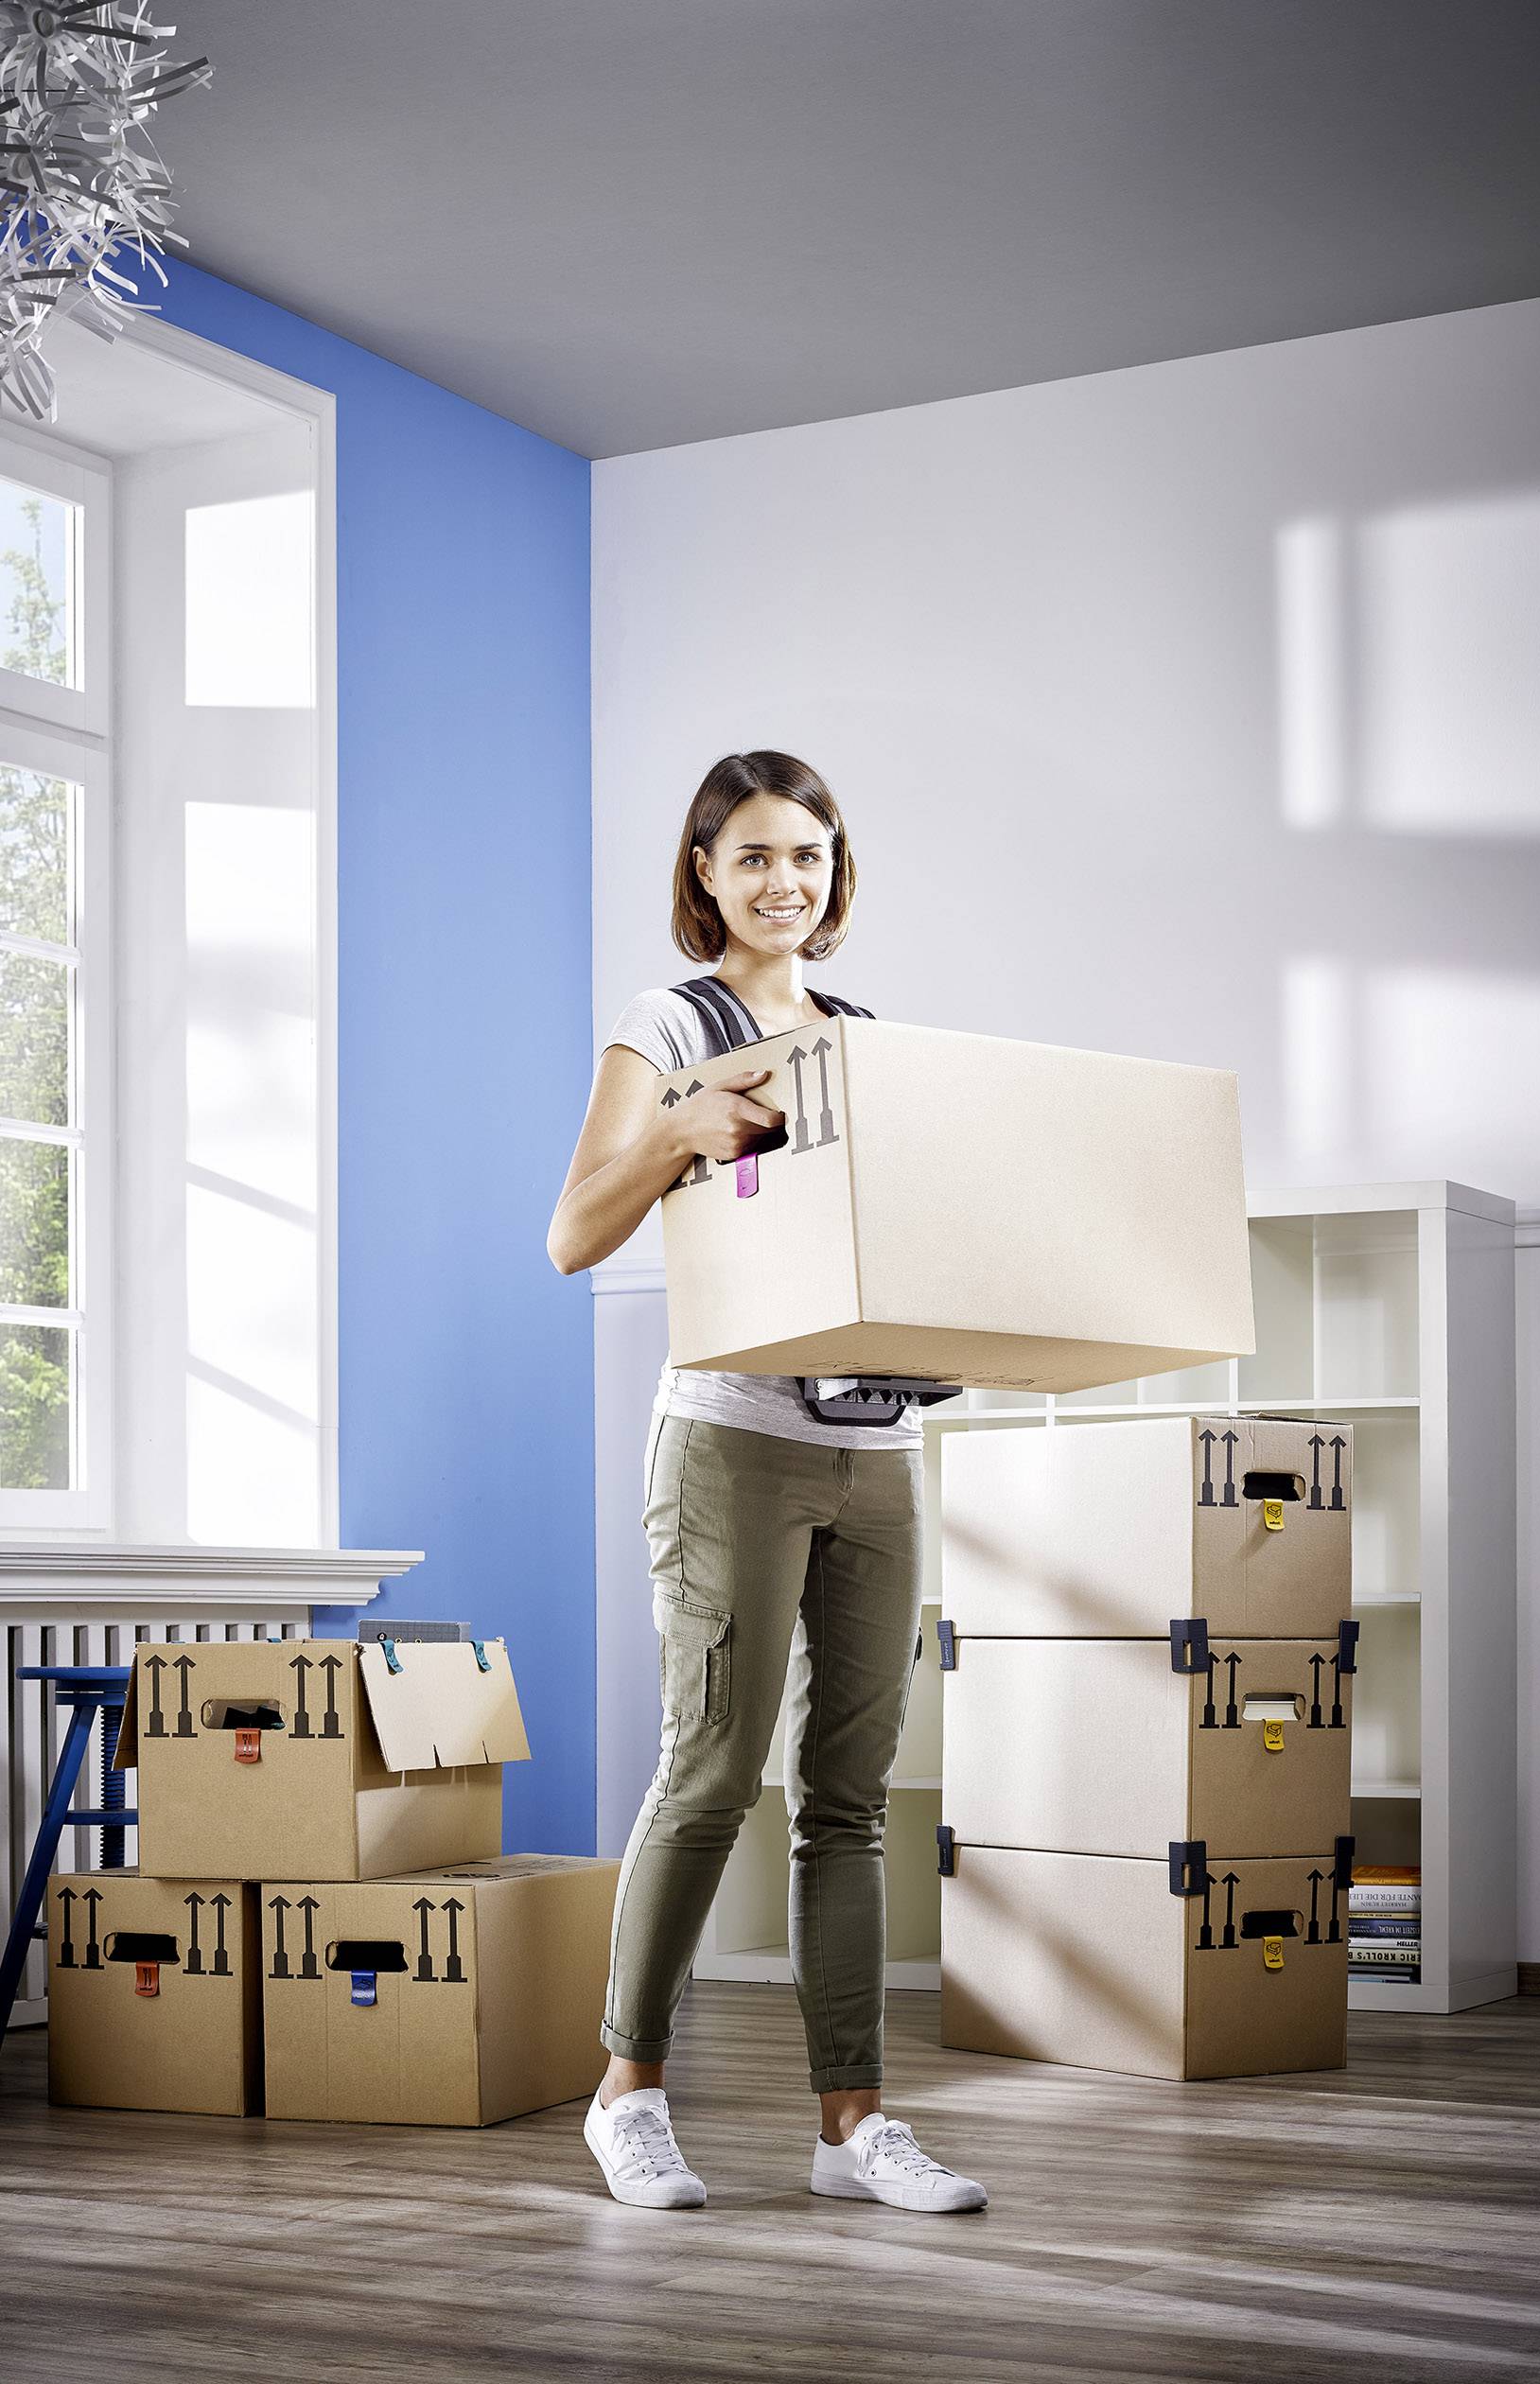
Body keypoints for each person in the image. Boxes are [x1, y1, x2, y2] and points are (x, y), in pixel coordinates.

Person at [548, 749, 987, 2215]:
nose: (780, 882)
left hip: (874, 1453)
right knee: (715, 1768)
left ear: (833, 870)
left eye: (804, 855)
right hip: (731, 1439)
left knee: (850, 1799)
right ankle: (628, 2094)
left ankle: (850, 2126)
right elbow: (571, 1236)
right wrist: (680, 1125)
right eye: (749, 857)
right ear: (704, 876)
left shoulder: (862, 1037)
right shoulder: (670, 1021)